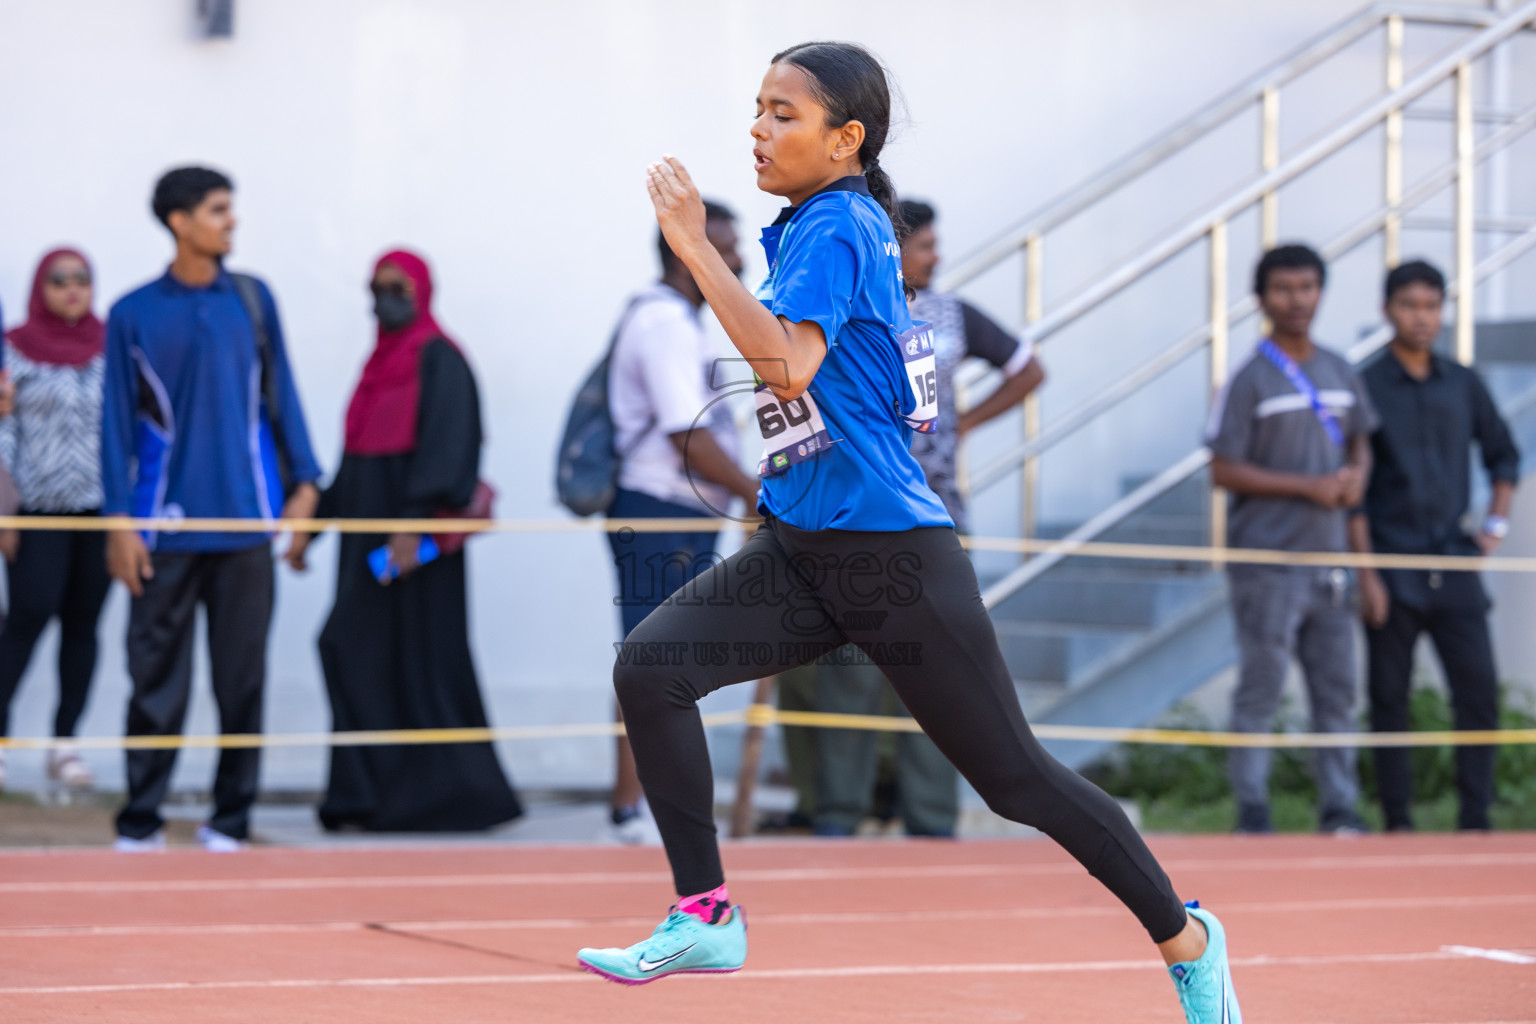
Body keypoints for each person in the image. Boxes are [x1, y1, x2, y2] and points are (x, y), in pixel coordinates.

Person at [577, 42, 1240, 1022]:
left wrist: (694, 247)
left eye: (783, 113)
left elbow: (787, 366)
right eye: (756, 108)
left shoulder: (840, 224)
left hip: (891, 556)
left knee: (1017, 779)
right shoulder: (814, 223)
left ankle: (1188, 937)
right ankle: (705, 909)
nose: (758, 128)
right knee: (651, 668)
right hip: (804, 547)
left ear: (847, 139)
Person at [804, 199, 1049, 839]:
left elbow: (1028, 368)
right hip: (851, 513)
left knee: (939, 670)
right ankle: (838, 814)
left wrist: (966, 423)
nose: (936, 256)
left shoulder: (951, 315)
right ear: (890, 251)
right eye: (925, 246)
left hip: (933, 512)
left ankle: (931, 819)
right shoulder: (851, 308)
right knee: (850, 667)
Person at [101, 166, 322, 852]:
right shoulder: (132, 313)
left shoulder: (251, 301)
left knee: (241, 683)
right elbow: (113, 425)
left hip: (248, 525)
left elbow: (283, 391)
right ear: (179, 220)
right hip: (160, 529)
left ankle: (230, 819)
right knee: (154, 683)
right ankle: (140, 821)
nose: (232, 221)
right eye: (218, 210)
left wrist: (308, 487)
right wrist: (117, 523)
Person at [291, 250, 522, 832]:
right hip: (366, 546)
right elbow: (354, 464)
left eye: (397, 286)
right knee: (352, 651)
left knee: (419, 659)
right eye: (377, 287)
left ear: (422, 291)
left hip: (411, 550)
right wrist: (309, 534)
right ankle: (366, 798)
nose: (385, 297)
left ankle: (445, 797)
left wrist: (414, 521)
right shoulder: (376, 367)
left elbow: (453, 444)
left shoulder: (441, 358)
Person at [1207, 244, 1378, 836]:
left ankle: (1340, 807)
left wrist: (1356, 473)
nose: (1297, 300)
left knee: (1336, 692)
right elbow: (1222, 468)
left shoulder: (1339, 367)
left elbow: (1361, 437)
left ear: (1321, 293)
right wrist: (1308, 486)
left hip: (1330, 563)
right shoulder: (1249, 378)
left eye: (1307, 287)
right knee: (1262, 688)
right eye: (1284, 289)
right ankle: (1253, 809)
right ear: (1261, 299)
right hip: (1267, 565)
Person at [605, 201, 759, 843]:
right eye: (725, 248)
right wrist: (754, 493)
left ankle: (640, 804)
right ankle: (630, 808)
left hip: (681, 510)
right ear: (683, 252)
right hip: (661, 510)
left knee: (662, 660)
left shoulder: (679, 319)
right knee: (652, 660)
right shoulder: (665, 322)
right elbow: (686, 436)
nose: (740, 260)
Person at [1350, 259, 1520, 832]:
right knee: (1389, 700)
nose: (1421, 317)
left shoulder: (1463, 382)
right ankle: (1398, 820)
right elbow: (1353, 488)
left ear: (1442, 310)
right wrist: (1367, 574)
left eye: (1430, 306)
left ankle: (1476, 818)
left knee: (1477, 696)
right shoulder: (1366, 386)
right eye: (1408, 306)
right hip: (1390, 563)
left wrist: (1494, 527)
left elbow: (1505, 455)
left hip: (1455, 558)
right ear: (1387, 310)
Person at [0, 249, 112, 793]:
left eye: (81, 280)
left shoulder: (111, 348)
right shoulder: (14, 349)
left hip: (96, 512)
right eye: (59, 280)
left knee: (83, 625)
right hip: (36, 511)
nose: (72, 289)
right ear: (40, 287)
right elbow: (3, 433)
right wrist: (4, 513)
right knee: (26, 617)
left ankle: (65, 743)